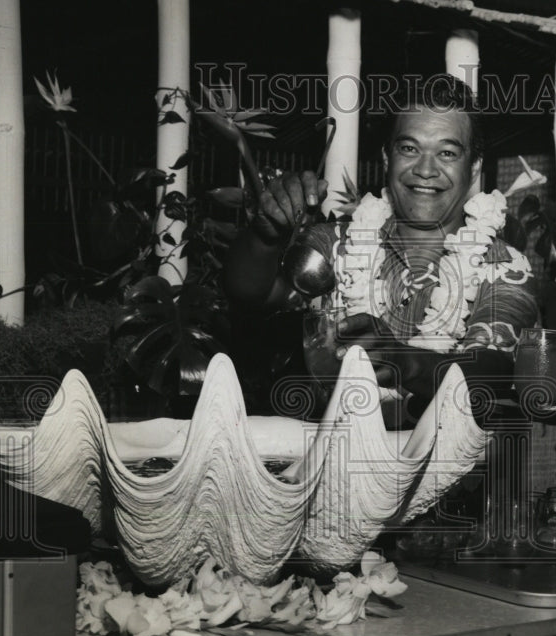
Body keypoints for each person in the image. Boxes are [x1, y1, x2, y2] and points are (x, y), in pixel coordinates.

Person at [223, 78, 538, 425]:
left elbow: (491, 374)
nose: (426, 169)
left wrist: (405, 362)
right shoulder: (336, 244)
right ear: (387, 157)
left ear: (474, 166)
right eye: (409, 148)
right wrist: (264, 236)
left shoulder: (504, 264)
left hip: (449, 475)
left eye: (447, 153)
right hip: (330, 464)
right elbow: (250, 292)